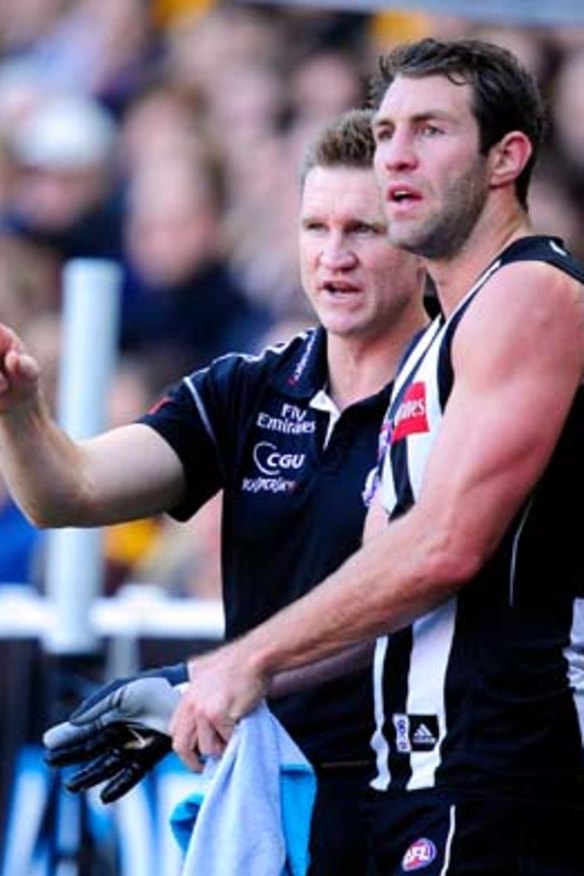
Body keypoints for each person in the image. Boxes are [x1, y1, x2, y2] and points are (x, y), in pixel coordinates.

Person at [142, 37, 584, 874]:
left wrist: (250, 658)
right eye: (385, 133)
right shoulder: (434, 347)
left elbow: (444, 546)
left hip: (507, 777)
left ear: (506, 158)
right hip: (417, 784)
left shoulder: (529, 289)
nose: (397, 157)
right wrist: (196, 682)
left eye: (430, 130)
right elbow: (380, 588)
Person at [0, 109, 428, 874]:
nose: (334, 256)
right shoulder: (250, 387)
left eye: (364, 230)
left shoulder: (460, 391)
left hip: (425, 788)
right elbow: (68, 490)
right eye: (316, 227)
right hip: (274, 786)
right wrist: (19, 410)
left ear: (422, 241)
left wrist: (220, 675)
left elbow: (417, 582)